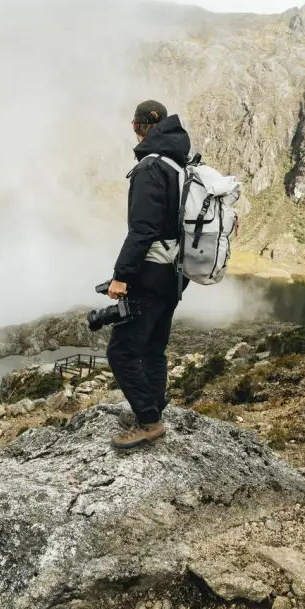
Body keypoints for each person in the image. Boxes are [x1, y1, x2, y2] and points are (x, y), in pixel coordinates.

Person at [106, 99, 190, 450]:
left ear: (143, 125)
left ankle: (149, 421)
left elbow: (142, 229)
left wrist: (121, 275)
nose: (133, 130)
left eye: (134, 124)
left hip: (152, 272)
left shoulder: (150, 168)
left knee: (121, 351)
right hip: (176, 272)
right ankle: (152, 407)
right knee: (154, 347)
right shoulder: (179, 163)